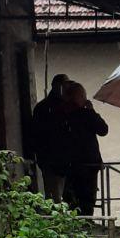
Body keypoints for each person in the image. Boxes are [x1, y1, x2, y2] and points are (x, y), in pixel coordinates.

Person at [63, 82, 108, 216]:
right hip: (88, 164)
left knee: (73, 199)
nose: (85, 98)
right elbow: (103, 129)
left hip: (70, 164)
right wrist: (91, 111)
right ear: (77, 97)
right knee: (87, 199)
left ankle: (76, 226)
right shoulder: (85, 114)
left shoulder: (63, 115)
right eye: (83, 95)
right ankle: (86, 225)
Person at [30, 74, 75, 202]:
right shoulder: (49, 108)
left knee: (59, 195)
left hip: (58, 159)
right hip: (53, 159)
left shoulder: (46, 107)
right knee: (55, 196)